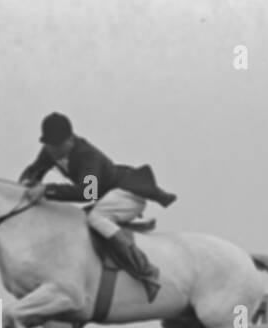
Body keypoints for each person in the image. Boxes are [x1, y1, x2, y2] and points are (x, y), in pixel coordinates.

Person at [18, 112, 176, 302]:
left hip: (128, 193)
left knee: (96, 218)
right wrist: (24, 185)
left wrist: (46, 190)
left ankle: (145, 269)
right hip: (108, 196)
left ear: (70, 140)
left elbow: (88, 193)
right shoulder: (50, 150)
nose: (52, 151)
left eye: (57, 146)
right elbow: (35, 170)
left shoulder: (87, 156)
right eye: (49, 146)